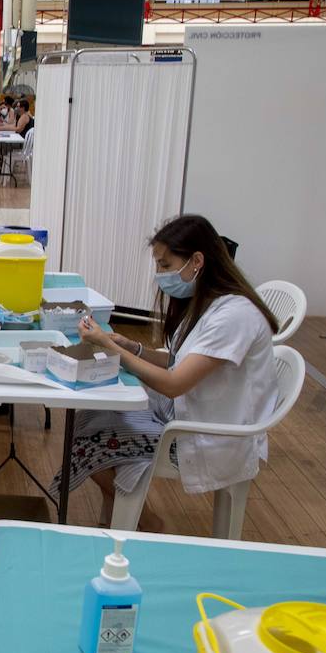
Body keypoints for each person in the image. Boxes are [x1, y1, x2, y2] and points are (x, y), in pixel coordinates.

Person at [53, 215, 281, 533]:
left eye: (165, 265)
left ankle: (147, 523)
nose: (161, 275)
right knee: (91, 415)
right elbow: (176, 360)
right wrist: (132, 347)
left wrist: (111, 347)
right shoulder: (207, 304)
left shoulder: (234, 316)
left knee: (89, 440)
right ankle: (120, 514)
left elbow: (175, 384)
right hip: (185, 413)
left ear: (197, 260)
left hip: (207, 433)